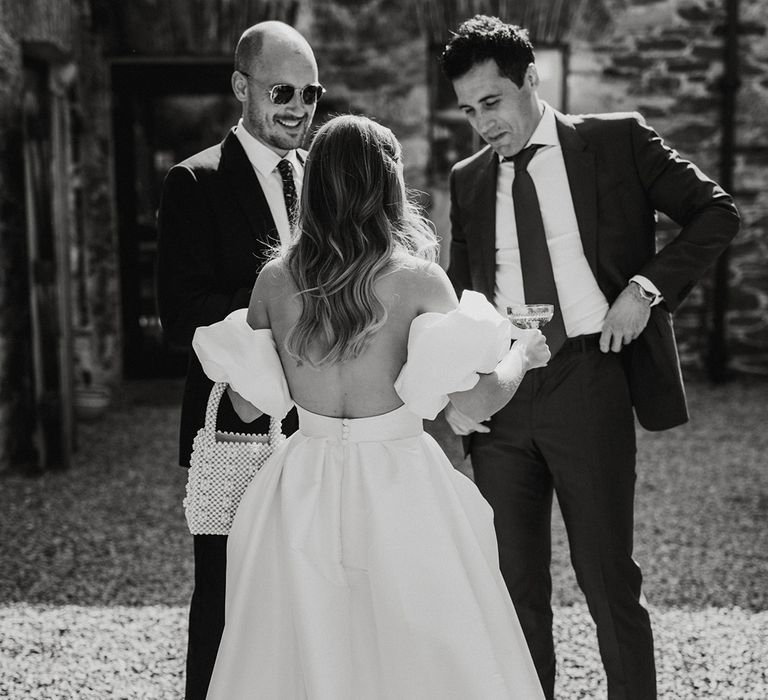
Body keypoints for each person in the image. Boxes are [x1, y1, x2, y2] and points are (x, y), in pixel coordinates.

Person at [191, 114, 550, 699]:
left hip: (300, 485)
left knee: (304, 644)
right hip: (400, 481)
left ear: (315, 184)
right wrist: (521, 354)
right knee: (418, 649)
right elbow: (475, 400)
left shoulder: (275, 283)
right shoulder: (418, 280)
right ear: (387, 184)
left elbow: (250, 408)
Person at [439, 15, 740, 700]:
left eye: (492, 102)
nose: (481, 123)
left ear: (532, 80)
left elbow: (716, 211)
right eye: (467, 110)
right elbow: (464, 297)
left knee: (608, 580)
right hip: (506, 395)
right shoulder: (468, 179)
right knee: (513, 588)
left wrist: (645, 288)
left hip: (589, 378)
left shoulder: (617, 141)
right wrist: (462, 390)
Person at [155, 21, 324, 700]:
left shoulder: (322, 180)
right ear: (241, 87)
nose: (298, 106)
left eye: (311, 93)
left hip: (320, 424)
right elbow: (181, 314)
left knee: (311, 594)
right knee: (225, 602)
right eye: (283, 89)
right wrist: (291, 306)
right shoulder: (194, 182)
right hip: (235, 428)